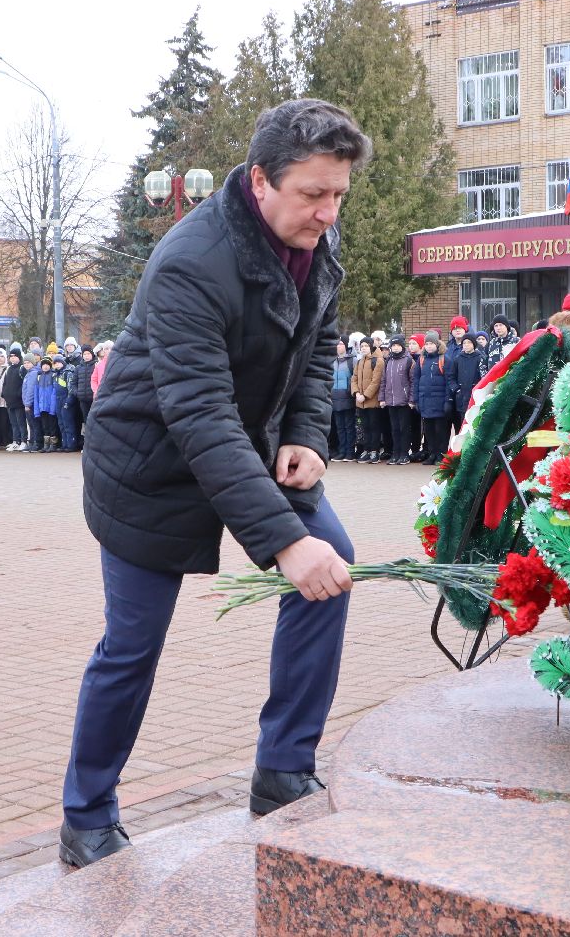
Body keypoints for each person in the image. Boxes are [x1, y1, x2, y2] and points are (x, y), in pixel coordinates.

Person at [63, 99, 368, 869]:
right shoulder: (190, 261)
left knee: (332, 564)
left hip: (258, 443)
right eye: (312, 195)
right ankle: (86, 813)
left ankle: (282, 771)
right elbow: (198, 415)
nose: (328, 213)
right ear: (261, 180)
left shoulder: (315, 238)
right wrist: (283, 541)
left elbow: (318, 340)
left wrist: (306, 433)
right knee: (132, 645)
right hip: (151, 463)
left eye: (338, 195)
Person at [379, 334, 416, 464]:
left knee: (404, 428)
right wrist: (382, 398)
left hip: (404, 402)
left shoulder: (408, 360)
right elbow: (384, 380)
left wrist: (411, 400)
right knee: (394, 428)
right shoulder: (388, 361)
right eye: (393, 346)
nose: (395, 348)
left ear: (402, 346)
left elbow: (412, 381)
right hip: (390, 400)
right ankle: (395, 453)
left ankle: (404, 453)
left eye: (397, 345)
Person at [414, 333, 449, 464]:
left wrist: (447, 401)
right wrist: (416, 399)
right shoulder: (421, 360)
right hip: (425, 400)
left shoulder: (444, 359)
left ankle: (441, 455)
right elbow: (416, 379)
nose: (429, 346)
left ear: (437, 345)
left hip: (439, 401)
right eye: (427, 344)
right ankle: (432, 454)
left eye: (431, 344)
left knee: (440, 430)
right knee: (429, 431)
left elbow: (448, 381)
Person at [351, 336, 384, 463]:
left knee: (374, 426)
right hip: (360, 401)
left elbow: (376, 381)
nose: (363, 348)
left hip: (372, 401)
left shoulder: (378, 360)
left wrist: (365, 395)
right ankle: (367, 449)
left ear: (371, 346)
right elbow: (354, 379)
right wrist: (356, 393)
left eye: (366, 346)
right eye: (362, 346)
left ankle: (375, 451)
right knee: (365, 427)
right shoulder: (360, 361)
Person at [446, 334, 483, 431]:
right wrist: (456, 389)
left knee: (475, 424)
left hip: (475, 396)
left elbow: (484, 377)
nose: (466, 345)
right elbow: (451, 376)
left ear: (474, 344)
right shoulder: (458, 359)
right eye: (464, 343)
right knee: (463, 425)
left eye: (469, 342)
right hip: (461, 397)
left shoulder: (480, 358)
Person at [329, 339, 354, 461]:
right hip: (334, 397)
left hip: (348, 397)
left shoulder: (352, 360)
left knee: (349, 426)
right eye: (337, 344)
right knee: (339, 427)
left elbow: (354, 378)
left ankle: (350, 451)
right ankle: (342, 450)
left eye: (341, 344)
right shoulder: (332, 361)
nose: (339, 346)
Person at [4, 348, 29, 451]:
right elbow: (5, 383)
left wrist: (19, 394)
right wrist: (4, 394)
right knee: (13, 423)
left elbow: (24, 383)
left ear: (19, 357)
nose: (13, 358)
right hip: (9, 401)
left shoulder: (22, 368)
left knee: (21, 422)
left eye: (15, 356)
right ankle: (16, 441)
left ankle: (23, 441)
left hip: (19, 401)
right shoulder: (9, 369)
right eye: (11, 356)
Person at [33, 356, 59, 451]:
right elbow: (36, 393)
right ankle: (46, 445)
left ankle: (54, 444)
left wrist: (53, 407)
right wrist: (37, 409)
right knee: (45, 426)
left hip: (50, 406)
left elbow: (54, 392)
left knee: (52, 425)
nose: (45, 367)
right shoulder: (39, 376)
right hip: (42, 406)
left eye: (47, 365)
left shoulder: (53, 375)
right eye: (43, 365)